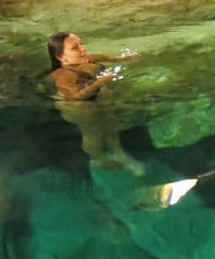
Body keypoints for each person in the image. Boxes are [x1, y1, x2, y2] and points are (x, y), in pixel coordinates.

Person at [47, 31, 143, 174]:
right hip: (77, 107)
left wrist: (122, 58)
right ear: (61, 57)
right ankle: (96, 158)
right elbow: (74, 96)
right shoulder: (61, 75)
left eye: (81, 43)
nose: (83, 48)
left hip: (95, 95)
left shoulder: (84, 59)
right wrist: (100, 82)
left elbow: (103, 57)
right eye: (75, 47)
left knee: (111, 124)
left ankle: (119, 152)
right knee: (93, 133)